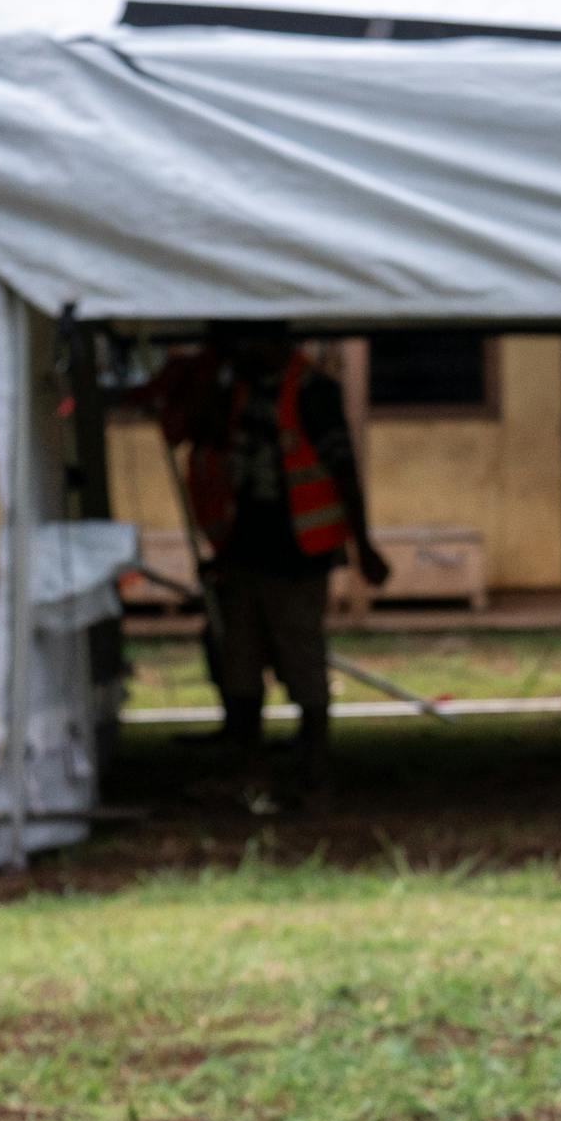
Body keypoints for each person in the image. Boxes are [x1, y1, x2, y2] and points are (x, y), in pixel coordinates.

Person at [156, 323, 389, 810]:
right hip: (243, 553)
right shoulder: (234, 391)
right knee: (236, 657)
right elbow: (199, 441)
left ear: (277, 343)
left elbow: (342, 470)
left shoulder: (313, 391)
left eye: (249, 342)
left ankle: (315, 773)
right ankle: (247, 772)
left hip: (299, 554)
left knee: (301, 656)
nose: (242, 352)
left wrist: (362, 544)